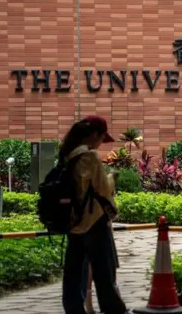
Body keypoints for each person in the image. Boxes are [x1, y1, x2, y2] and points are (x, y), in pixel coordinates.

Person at [60, 115, 130, 314]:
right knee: (104, 271)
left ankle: (73, 309)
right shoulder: (89, 157)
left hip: (74, 221)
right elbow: (103, 190)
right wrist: (112, 177)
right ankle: (113, 309)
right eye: (101, 138)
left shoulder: (67, 154)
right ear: (93, 134)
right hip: (94, 221)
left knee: (73, 271)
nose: (100, 144)